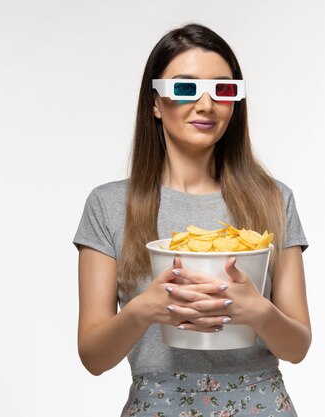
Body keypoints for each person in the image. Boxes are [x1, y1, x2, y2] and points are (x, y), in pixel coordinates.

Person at [73, 23, 311, 417]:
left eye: (224, 89)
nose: (206, 104)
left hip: (261, 405)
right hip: (157, 407)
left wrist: (259, 311)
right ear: (155, 102)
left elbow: (297, 347)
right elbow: (93, 358)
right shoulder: (109, 205)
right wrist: (143, 309)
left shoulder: (273, 199)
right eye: (185, 88)